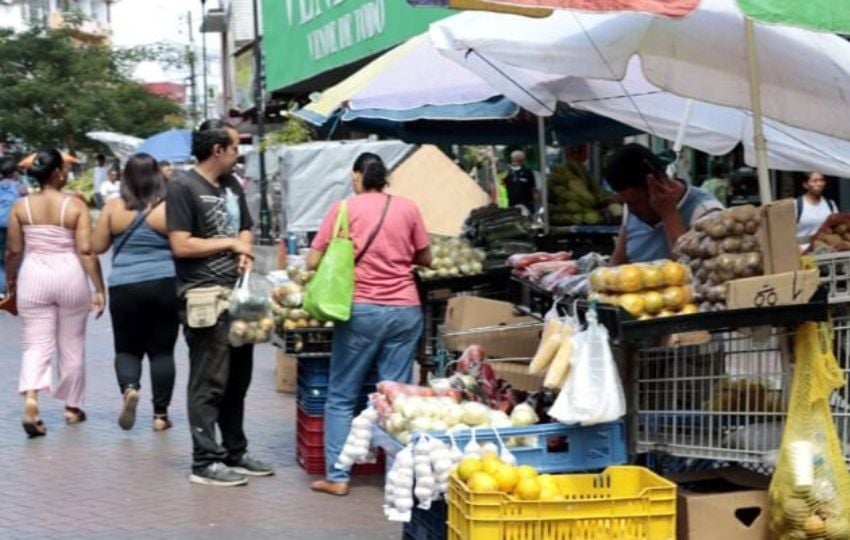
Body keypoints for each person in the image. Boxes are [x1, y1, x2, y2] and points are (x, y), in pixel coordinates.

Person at [307, 153, 431, 497]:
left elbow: (313, 260)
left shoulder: (344, 209)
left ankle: (337, 476)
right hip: (405, 310)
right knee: (396, 399)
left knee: (341, 396)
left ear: (358, 176)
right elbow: (426, 257)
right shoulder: (408, 207)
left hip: (361, 311)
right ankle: (398, 477)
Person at [166, 119, 273, 487]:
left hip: (238, 294)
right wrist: (229, 244)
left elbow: (245, 226)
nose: (237, 154)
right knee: (208, 381)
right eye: (233, 148)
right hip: (204, 295)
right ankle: (205, 460)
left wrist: (243, 247)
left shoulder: (230, 184)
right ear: (217, 150)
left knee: (237, 380)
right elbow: (181, 244)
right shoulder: (182, 187)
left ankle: (234, 450)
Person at [4, 148, 106, 437]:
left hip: (33, 275)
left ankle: (32, 399)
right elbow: (86, 251)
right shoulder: (75, 206)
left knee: (35, 343)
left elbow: (13, 251)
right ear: (59, 173)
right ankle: (72, 408)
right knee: (71, 343)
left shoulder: (21, 207)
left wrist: (11, 282)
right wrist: (99, 288)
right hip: (69, 275)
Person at [92, 153, 178, 432]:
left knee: (127, 348)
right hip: (165, 282)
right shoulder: (168, 208)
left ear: (125, 177)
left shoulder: (114, 207)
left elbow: (98, 246)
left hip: (124, 285)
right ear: (157, 176)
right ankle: (160, 415)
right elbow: (182, 246)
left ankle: (130, 388)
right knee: (162, 352)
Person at [608, 143, 723, 265]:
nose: (631, 210)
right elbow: (616, 265)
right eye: (625, 203)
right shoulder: (631, 208)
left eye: (636, 202)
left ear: (658, 184)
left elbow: (693, 271)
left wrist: (669, 214)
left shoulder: (706, 212)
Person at [0, 158, 27, 296]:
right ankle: (15, 286)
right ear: (13, 173)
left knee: (0, 257)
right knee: (16, 255)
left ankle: (1, 289)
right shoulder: (20, 187)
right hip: (14, 225)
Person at [796, 172, 838, 247]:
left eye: (821, 180)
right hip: (803, 253)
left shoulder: (830, 204)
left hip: (826, 252)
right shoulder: (796, 205)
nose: (819, 184)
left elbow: (836, 229)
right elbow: (786, 233)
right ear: (805, 185)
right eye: (814, 181)